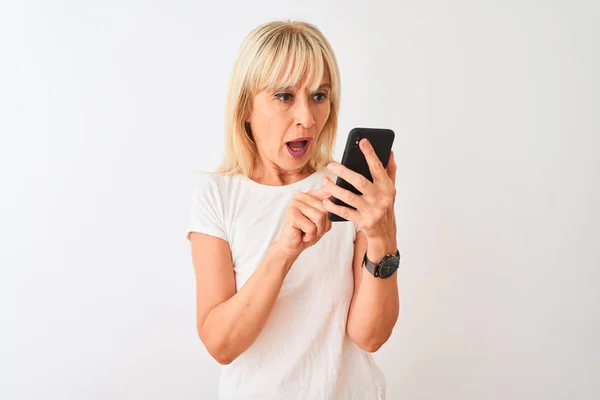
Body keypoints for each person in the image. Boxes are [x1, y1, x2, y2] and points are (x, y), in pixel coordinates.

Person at [186, 20, 400, 400]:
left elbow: (370, 336)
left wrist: (383, 235)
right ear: (246, 108)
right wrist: (283, 252)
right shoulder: (217, 197)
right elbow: (222, 345)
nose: (308, 117)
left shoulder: (348, 191)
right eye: (284, 95)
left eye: (319, 95)